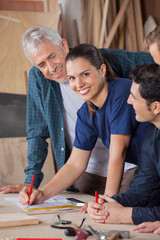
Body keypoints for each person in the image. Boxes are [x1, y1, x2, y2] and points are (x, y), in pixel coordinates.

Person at [0, 26, 154, 196]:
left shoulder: (120, 92)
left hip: (134, 169)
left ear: (64, 45)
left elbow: (118, 153)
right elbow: (72, 162)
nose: (51, 68)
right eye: (72, 78)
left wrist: (109, 201)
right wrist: (38, 190)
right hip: (89, 172)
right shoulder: (85, 111)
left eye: (85, 75)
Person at [87, 63, 160, 228]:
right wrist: (107, 204)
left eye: (133, 97)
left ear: (155, 107)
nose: (128, 101)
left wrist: (128, 215)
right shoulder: (152, 133)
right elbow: (143, 191)